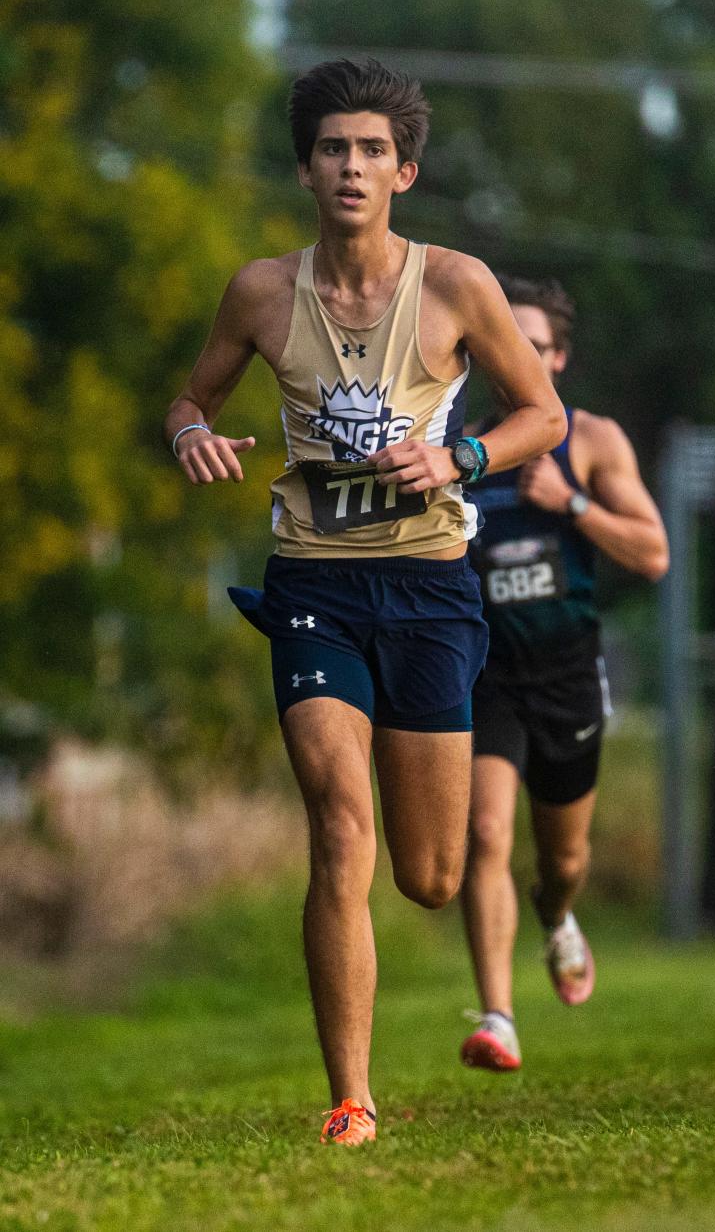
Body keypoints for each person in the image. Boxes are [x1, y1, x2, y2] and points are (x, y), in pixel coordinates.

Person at [162, 60, 566, 1145]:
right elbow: (191, 396)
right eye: (334, 147)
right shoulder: (259, 291)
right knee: (341, 831)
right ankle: (352, 1098)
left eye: (372, 150)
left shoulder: (457, 286)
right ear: (306, 166)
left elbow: (545, 416)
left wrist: (463, 455)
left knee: (430, 874)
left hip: (430, 587)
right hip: (315, 586)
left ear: (405, 170)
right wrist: (193, 432)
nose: (351, 165)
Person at [458, 275, 669, 1072]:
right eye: (500, 344)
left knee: (563, 863)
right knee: (484, 834)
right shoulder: (464, 452)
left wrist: (572, 504)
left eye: (534, 347)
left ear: (560, 357)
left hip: (569, 675)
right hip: (488, 674)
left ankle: (558, 917)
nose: (517, 360)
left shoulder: (592, 442)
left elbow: (654, 555)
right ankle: (497, 1016)